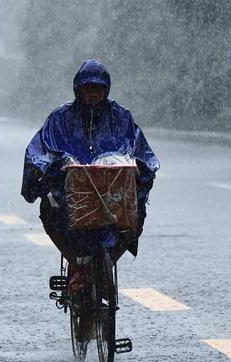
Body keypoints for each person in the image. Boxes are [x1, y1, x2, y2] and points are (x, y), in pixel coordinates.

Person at [21, 59, 159, 290]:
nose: (93, 94)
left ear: (106, 90)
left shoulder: (121, 117)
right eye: (88, 89)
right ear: (79, 90)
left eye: (98, 89)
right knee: (49, 209)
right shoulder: (61, 118)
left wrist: (140, 168)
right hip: (71, 191)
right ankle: (76, 263)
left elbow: (140, 150)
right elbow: (40, 150)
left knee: (136, 212)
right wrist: (52, 167)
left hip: (113, 192)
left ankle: (108, 261)